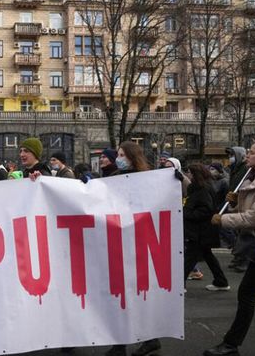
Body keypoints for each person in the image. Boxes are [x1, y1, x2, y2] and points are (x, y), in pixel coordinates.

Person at [204, 140, 255, 356]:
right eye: (247, 152)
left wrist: (223, 220)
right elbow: (248, 209)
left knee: (246, 293)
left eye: (252, 152)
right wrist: (234, 203)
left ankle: (231, 344)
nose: (247, 155)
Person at [107, 141, 153, 356]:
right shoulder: (116, 175)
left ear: (133, 157)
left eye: (123, 155)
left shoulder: (146, 179)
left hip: (134, 242)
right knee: (122, 295)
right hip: (119, 240)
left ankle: (127, 343)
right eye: (118, 154)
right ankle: (126, 343)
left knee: (131, 295)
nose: (119, 158)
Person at [183, 163, 230, 292]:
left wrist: (187, 213)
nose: (188, 174)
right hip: (203, 230)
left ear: (195, 174)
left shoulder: (202, 189)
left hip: (200, 231)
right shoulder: (202, 187)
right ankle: (221, 281)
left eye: (189, 172)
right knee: (207, 255)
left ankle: (180, 284)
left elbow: (205, 210)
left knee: (189, 258)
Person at [225, 147, 250, 273]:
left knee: (243, 233)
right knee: (237, 233)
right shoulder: (234, 169)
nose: (230, 157)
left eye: (232, 155)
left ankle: (244, 259)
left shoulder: (245, 169)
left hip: (241, 202)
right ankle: (238, 257)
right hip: (234, 201)